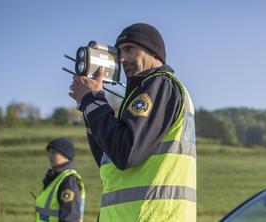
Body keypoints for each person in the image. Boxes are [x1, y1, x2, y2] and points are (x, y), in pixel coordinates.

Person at [70, 23, 196, 221]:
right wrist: (89, 105)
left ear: (153, 52)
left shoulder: (160, 85)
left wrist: (93, 99)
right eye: (119, 51)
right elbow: (107, 157)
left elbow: (126, 153)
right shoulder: (141, 94)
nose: (122, 58)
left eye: (129, 49)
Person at [35, 137, 85, 222]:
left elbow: (70, 217)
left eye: (53, 152)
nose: (49, 156)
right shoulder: (56, 178)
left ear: (65, 154)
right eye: (49, 152)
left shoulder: (68, 180)